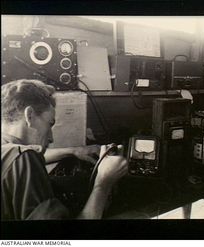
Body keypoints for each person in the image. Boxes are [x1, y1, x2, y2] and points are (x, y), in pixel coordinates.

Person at [1, 79, 128, 220]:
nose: (51, 137)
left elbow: (18, 160)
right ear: (29, 115)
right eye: (50, 124)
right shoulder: (24, 158)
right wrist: (104, 182)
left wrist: (73, 151)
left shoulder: (8, 151)